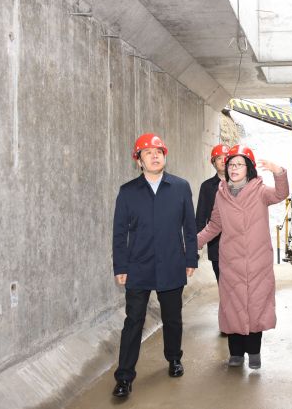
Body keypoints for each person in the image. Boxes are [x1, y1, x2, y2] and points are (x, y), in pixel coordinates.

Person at [111, 134, 197, 398]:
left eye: (158, 151)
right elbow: (119, 233)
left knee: (172, 318)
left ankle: (174, 358)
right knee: (133, 321)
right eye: (147, 152)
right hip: (139, 266)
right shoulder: (128, 192)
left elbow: (189, 227)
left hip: (172, 263)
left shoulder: (180, 187)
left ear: (164, 156)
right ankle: (124, 377)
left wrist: (190, 259)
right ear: (139, 161)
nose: (154, 155)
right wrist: (120, 266)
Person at [197, 145, 289, 369]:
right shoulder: (221, 194)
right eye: (231, 164)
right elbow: (215, 225)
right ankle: (236, 353)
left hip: (258, 261)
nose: (234, 168)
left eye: (239, 164)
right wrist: (193, 244)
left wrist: (278, 172)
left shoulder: (260, 191)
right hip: (231, 261)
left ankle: (254, 352)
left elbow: (281, 194)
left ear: (248, 168)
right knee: (233, 306)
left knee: (256, 305)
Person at [196, 144, 230, 281]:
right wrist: (196, 244)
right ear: (213, 163)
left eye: (226, 157)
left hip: (238, 243)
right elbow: (201, 216)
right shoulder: (207, 186)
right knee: (222, 283)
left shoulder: (241, 184)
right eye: (219, 158)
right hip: (216, 243)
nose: (223, 161)